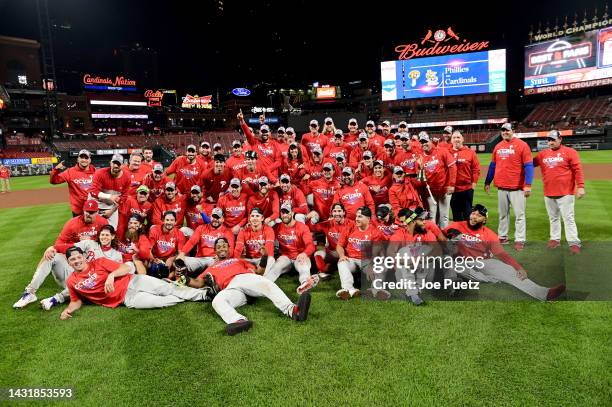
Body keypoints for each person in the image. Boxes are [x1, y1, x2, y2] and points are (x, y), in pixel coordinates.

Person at [178, 238, 312, 335]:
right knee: (217, 301)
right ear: (215, 251)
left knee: (266, 284)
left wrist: (264, 256)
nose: (222, 248)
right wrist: (184, 277)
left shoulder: (238, 260)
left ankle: (293, 310)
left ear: (229, 249)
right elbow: (198, 283)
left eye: (224, 246)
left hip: (244, 278)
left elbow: (260, 271)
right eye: (219, 247)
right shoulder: (210, 268)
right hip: (231, 288)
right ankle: (238, 321)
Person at [444, 204, 566, 301]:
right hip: (459, 261)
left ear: (484, 220)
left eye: (478, 215)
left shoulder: (489, 234)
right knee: (449, 263)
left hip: (483, 261)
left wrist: (518, 268)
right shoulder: (456, 225)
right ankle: (487, 280)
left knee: (509, 271)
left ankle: (544, 294)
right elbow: (437, 236)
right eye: (473, 213)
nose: (474, 216)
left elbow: (501, 254)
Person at [59, 246, 209, 319]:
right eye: (73, 259)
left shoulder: (99, 262)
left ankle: (205, 294)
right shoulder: (72, 281)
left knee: (169, 289)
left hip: (134, 281)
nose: (77, 261)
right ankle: (183, 291)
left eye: (79, 257)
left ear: (84, 257)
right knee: (163, 301)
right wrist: (69, 310)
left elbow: (125, 268)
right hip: (126, 299)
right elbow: (75, 301)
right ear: (68, 262)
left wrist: (111, 275)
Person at [13, 224, 122, 310]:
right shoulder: (90, 243)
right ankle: (29, 293)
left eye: (107, 235)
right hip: (73, 276)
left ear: (112, 236)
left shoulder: (116, 255)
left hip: (92, 284)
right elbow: (70, 247)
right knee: (53, 256)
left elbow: (115, 274)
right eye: (102, 234)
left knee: (88, 282)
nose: (104, 237)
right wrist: (53, 248)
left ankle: (56, 299)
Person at [534, 130, 585, 254]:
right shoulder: (542, 154)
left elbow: (578, 170)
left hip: (566, 192)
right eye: (549, 140)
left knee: (568, 218)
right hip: (548, 192)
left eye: (553, 139)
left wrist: (581, 186)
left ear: (560, 139)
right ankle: (555, 239)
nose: (551, 142)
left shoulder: (570, 152)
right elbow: (529, 164)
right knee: (553, 218)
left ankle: (573, 242)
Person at [484, 123, 534, 251]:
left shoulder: (522, 145)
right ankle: (502, 236)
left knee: (519, 215)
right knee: (502, 214)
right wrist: (487, 181)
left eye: (507, 130)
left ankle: (520, 239)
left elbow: (529, 166)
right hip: (501, 187)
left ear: (513, 131)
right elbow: (493, 166)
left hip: (517, 188)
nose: (505, 132)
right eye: (503, 130)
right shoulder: (498, 146)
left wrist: (528, 185)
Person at [335, 206, 386, 300]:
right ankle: (348, 289)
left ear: (368, 219)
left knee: (380, 266)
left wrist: (371, 264)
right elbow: (339, 245)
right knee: (341, 262)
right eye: (356, 216)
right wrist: (342, 255)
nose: (357, 219)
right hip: (352, 260)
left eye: (360, 217)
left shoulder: (376, 232)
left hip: (368, 261)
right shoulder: (350, 227)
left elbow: (376, 253)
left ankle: (376, 290)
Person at [265, 202, 318, 292]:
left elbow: (310, 245)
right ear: (280, 214)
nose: (285, 215)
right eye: (283, 213)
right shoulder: (277, 227)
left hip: (300, 256)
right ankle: (264, 285)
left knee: (303, 267)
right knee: (276, 267)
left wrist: (304, 253)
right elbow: (265, 233)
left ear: (292, 213)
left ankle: (305, 284)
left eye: (287, 212)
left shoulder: (302, 227)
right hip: (286, 256)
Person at [175, 208, 235, 275]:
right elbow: (192, 242)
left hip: (214, 260)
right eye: (214, 217)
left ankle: (201, 277)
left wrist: (222, 256)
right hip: (199, 260)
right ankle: (180, 279)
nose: (215, 220)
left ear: (223, 219)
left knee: (217, 265)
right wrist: (182, 253)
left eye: (218, 218)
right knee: (179, 260)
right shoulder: (201, 228)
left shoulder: (228, 232)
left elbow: (231, 249)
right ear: (210, 217)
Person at [418, 132, 457, 229]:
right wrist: (421, 168)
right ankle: (432, 237)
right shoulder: (420, 158)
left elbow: (453, 167)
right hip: (430, 192)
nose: (424, 144)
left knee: (444, 216)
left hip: (444, 189)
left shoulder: (442, 151)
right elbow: (421, 180)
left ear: (430, 141)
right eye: (422, 142)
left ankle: (443, 236)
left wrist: (452, 184)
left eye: (426, 141)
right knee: (432, 215)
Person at [309, 202, 355, 280]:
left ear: (344, 212)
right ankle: (324, 271)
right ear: (331, 213)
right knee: (318, 254)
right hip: (332, 252)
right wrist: (312, 221)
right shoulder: (327, 224)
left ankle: (333, 268)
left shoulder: (352, 224)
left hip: (347, 253)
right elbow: (312, 228)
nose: (337, 213)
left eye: (339, 211)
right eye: (335, 211)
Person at [88, 153, 131, 228]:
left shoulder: (127, 177)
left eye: (118, 164)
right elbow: (92, 191)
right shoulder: (100, 173)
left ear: (123, 165)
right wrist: (109, 196)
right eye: (114, 163)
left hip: (111, 206)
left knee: (112, 229)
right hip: (95, 204)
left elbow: (124, 197)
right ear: (110, 163)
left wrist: (112, 211)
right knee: (92, 228)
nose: (115, 166)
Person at [49, 149, 96, 216]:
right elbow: (54, 181)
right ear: (77, 159)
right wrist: (56, 169)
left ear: (90, 160)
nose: (84, 160)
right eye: (81, 157)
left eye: (86, 158)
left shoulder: (96, 173)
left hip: (92, 209)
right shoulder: (70, 172)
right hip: (78, 211)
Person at [238, 112, 282, 176]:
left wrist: (268, 170)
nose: (264, 133)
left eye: (266, 131)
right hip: (259, 177)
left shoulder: (275, 144)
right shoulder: (255, 143)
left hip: (272, 176)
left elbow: (278, 162)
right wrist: (242, 120)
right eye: (262, 132)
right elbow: (248, 134)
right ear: (259, 133)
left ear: (269, 133)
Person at [449, 130, 480, 221]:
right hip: (453, 189)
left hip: (467, 188)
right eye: (454, 137)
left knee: (467, 213)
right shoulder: (446, 152)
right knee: (456, 214)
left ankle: (467, 233)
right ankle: (458, 234)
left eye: (458, 137)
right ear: (451, 140)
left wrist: (474, 183)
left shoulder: (470, 152)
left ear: (462, 139)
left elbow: (476, 169)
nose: (456, 139)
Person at [234, 208, 276, 273]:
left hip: (261, 259)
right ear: (249, 218)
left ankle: (262, 277)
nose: (254, 218)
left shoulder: (268, 230)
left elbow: (269, 250)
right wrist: (236, 261)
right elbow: (238, 249)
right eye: (252, 216)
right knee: (237, 260)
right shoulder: (243, 231)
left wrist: (264, 258)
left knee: (271, 259)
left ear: (262, 218)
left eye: (257, 216)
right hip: (248, 259)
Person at [147, 211, 186, 278]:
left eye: (172, 220)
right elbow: (148, 249)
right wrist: (154, 259)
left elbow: (180, 253)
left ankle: (168, 279)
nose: (169, 222)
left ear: (175, 222)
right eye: (167, 220)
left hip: (169, 259)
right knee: (150, 265)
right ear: (163, 220)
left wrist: (171, 259)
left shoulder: (180, 234)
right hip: (156, 258)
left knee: (181, 266)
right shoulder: (155, 230)